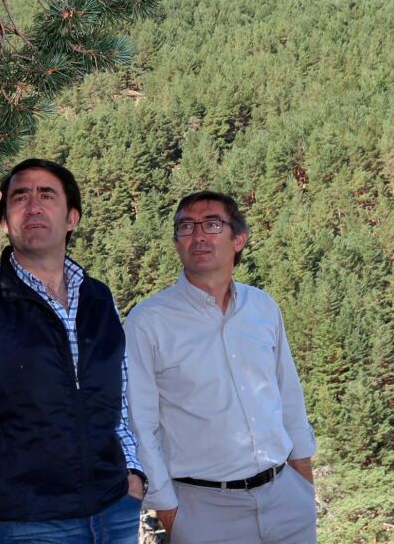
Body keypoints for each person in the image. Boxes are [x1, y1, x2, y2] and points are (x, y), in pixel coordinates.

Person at [0, 159, 144, 543]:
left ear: (71, 218)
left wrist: (133, 472)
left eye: (46, 195)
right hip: (27, 521)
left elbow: (118, 396)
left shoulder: (99, 297)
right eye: (19, 197)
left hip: (115, 507)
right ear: (3, 222)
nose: (33, 205)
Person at [125, 191, 318, 544]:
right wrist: (170, 512)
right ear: (177, 243)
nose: (198, 235)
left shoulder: (262, 307)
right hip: (204, 512)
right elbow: (140, 424)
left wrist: (303, 483)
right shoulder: (148, 322)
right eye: (186, 227)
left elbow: (288, 396)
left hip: (287, 500)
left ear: (238, 239)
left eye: (212, 225)